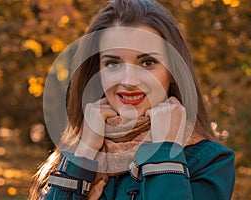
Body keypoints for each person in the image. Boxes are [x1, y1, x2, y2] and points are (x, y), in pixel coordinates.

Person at [29, 0, 235, 199]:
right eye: (112, 63)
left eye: (147, 62)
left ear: (173, 71)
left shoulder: (211, 162)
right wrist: (84, 152)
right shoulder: (71, 154)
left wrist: (165, 149)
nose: (128, 81)